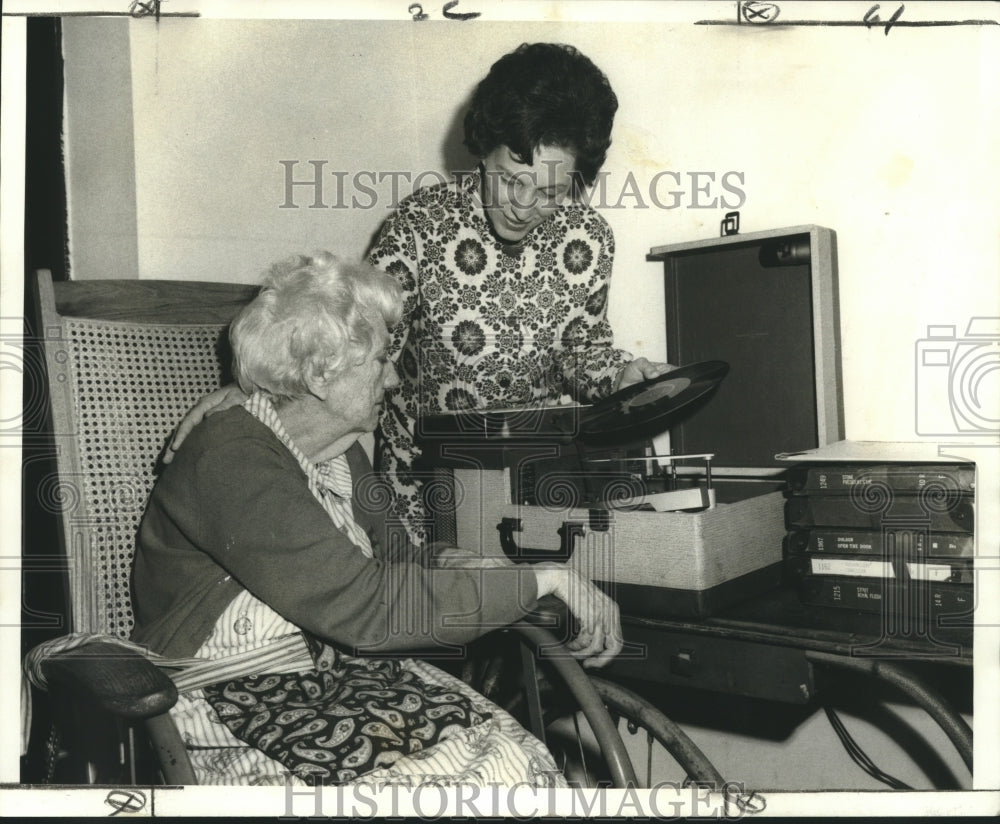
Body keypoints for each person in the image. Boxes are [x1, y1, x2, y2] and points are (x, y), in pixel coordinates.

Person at [130, 252, 622, 786]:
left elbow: (402, 560)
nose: (392, 379)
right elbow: (368, 608)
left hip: (333, 684)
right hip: (235, 694)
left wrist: (491, 569)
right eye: (382, 359)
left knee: (516, 762)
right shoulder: (230, 457)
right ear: (321, 373)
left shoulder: (340, 451)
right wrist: (540, 579)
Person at [166, 42, 673, 547]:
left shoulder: (589, 239)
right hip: (425, 489)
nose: (523, 206)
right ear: (482, 149)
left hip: (538, 481)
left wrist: (619, 377)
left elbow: (579, 352)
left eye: (550, 193)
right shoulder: (420, 228)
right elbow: (352, 342)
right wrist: (260, 394)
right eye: (510, 181)